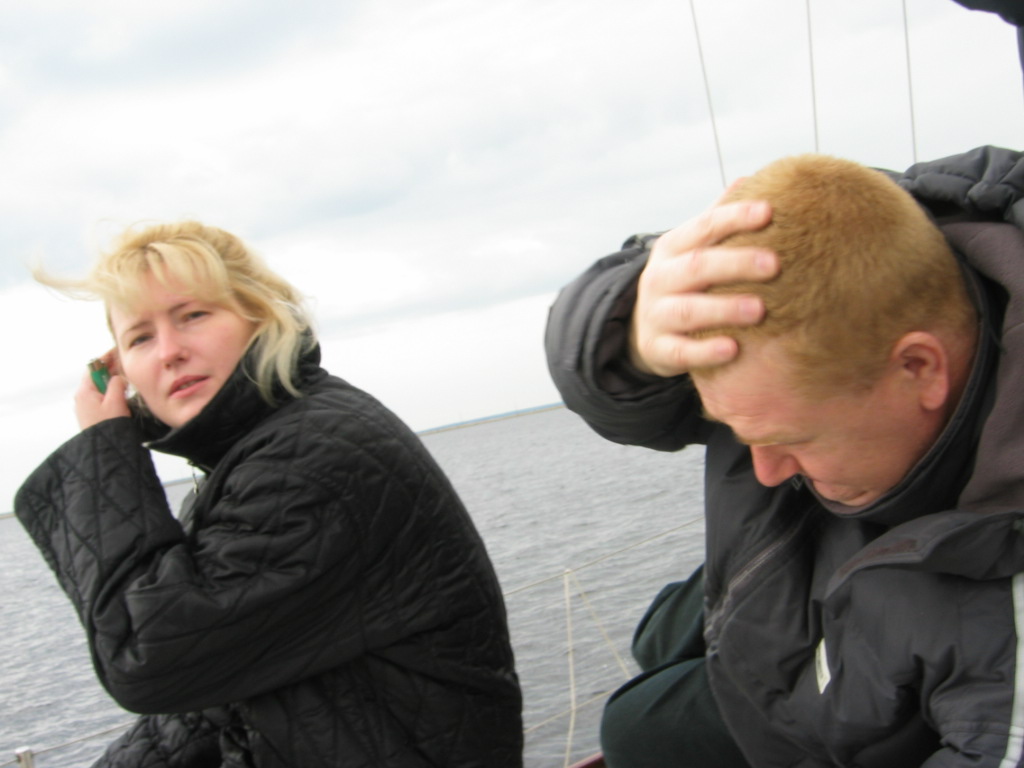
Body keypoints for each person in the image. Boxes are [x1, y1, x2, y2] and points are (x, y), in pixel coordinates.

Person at [544, 146, 1024, 767]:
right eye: (734, 431)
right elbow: (616, 391)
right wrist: (630, 328)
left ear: (918, 368)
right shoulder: (852, 267)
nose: (765, 472)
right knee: (655, 643)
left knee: (639, 727)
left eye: (791, 440)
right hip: (787, 606)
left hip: (864, 695)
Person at [15, 221, 523, 768]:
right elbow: (208, 708)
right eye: (140, 337)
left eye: (193, 315)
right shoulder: (255, 453)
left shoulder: (314, 460)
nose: (169, 352)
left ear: (259, 316)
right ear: (120, 372)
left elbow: (147, 654)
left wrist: (104, 456)